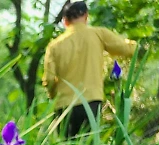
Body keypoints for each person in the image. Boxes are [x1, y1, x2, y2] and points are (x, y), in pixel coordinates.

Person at [43, 2, 136, 137]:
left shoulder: (54, 46)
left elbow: (49, 79)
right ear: (86, 16)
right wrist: (138, 44)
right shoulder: (98, 34)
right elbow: (127, 49)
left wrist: (54, 96)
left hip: (64, 106)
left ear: (65, 21)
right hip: (91, 102)